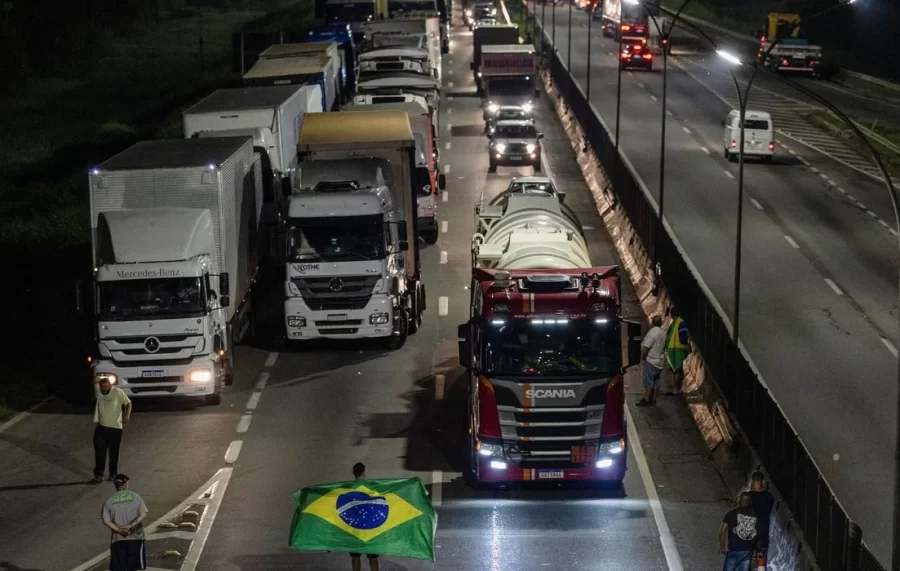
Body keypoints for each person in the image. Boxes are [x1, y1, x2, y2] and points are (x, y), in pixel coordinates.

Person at [101, 474, 148, 571]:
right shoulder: (135, 496)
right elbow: (143, 514)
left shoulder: (109, 500)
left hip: (118, 539)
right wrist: (130, 526)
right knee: (136, 568)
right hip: (136, 537)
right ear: (125, 483)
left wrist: (119, 529)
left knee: (119, 568)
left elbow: (106, 520)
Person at [93, 376, 133, 483]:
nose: (104, 389)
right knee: (100, 451)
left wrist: (127, 415)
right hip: (101, 427)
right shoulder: (99, 392)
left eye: (106, 387)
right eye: (102, 387)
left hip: (115, 428)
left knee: (113, 452)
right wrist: (100, 379)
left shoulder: (117, 392)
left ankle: (113, 474)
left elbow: (128, 403)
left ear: (110, 385)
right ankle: (98, 475)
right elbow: (95, 380)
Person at [720, 492, 760, 571]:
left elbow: (722, 531)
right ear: (750, 502)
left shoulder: (731, 514)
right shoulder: (755, 517)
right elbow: (758, 535)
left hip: (733, 550)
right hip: (747, 552)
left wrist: (723, 547)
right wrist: (757, 552)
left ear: (739, 500)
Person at [349, 462, 379, 571]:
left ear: (354, 473)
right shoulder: (371, 487)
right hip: (370, 527)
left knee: (355, 557)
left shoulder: (349, 488)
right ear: (364, 473)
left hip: (355, 528)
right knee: (373, 558)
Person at [636, 315, 665, 407]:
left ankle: (647, 399)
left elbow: (646, 348)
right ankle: (654, 399)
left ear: (652, 323)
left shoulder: (651, 333)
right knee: (656, 381)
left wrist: (642, 358)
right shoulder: (663, 333)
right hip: (660, 361)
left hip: (651, 361)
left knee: (649, 381)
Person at [749, 470, 775, 567]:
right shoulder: (769, 497)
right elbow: (768, 510)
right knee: (761, 563)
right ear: (763, 481)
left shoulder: (748, 497)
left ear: (752, 481)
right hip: (763, 533)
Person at [664, 307, 691, 396]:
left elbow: (669, 335)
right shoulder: (680, 322)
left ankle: (676, 389)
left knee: (676, 369)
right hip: (677, 348)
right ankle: (677, 389)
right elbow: (683, 337)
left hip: (673, 349)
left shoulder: (676, 323)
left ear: (672, 315)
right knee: (678, 369)